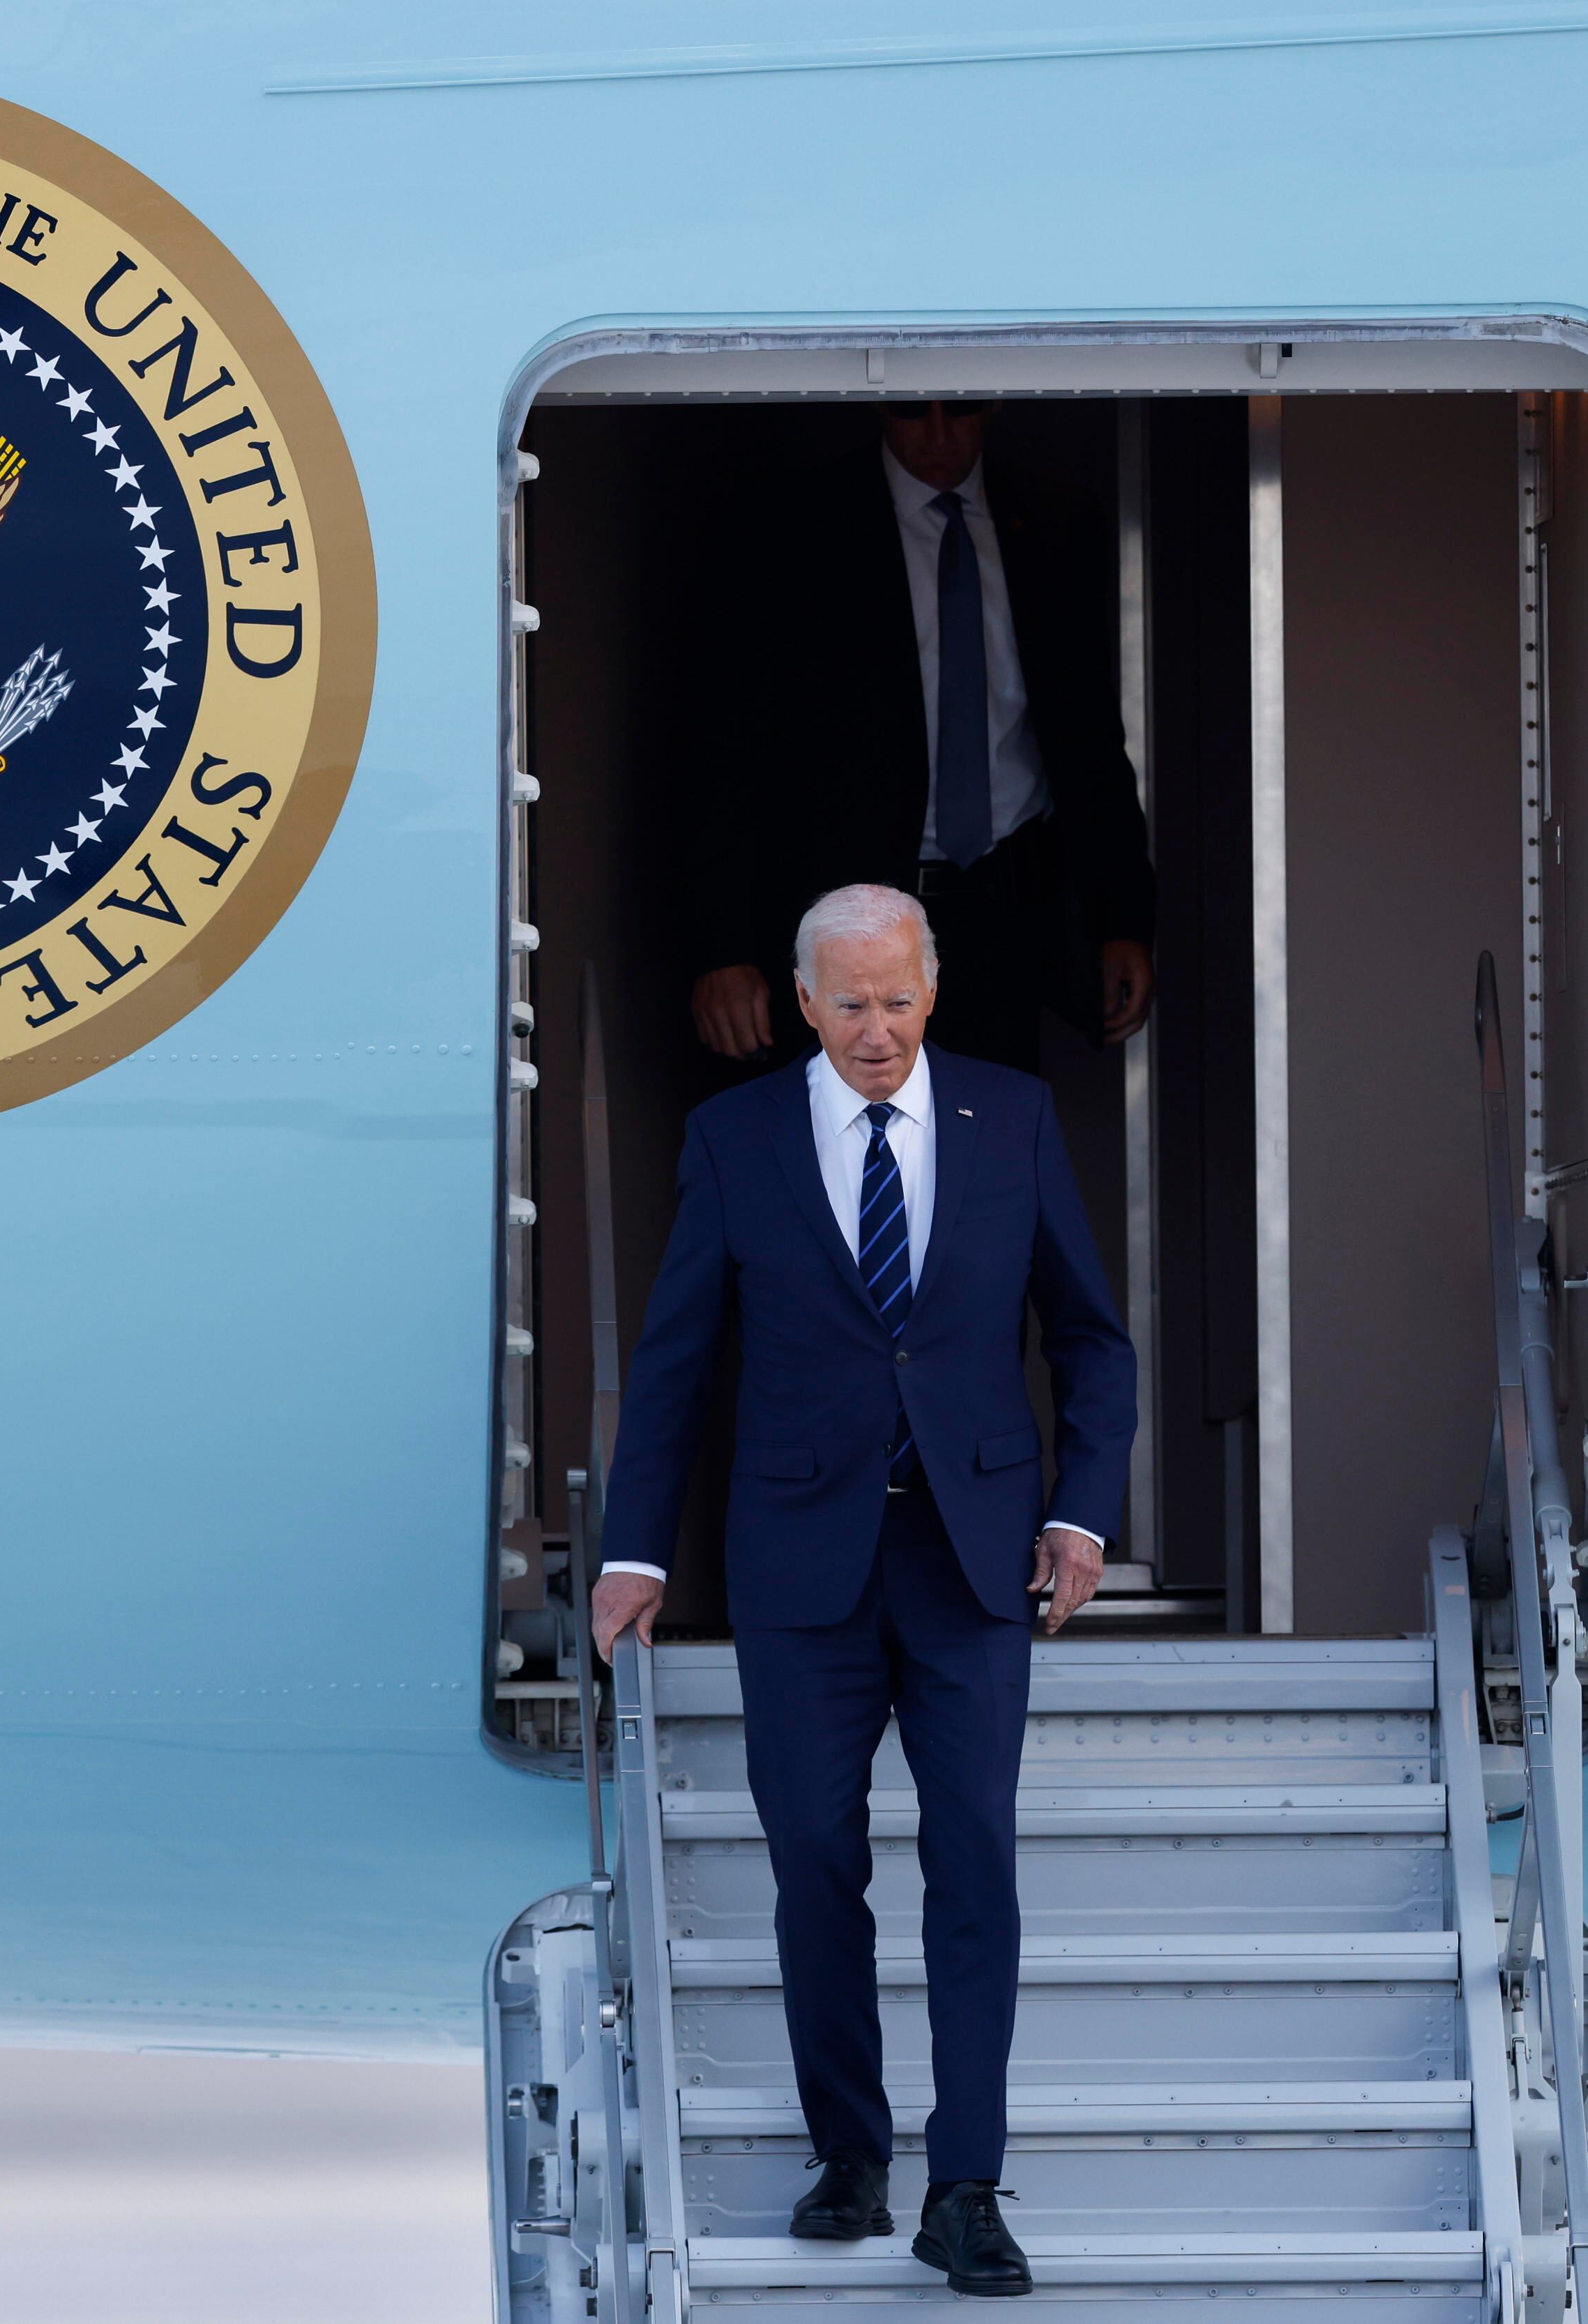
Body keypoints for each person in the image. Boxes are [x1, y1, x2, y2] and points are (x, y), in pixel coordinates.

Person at [593, 883, 1137, 2298]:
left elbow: (1089, 1335)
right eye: (849, 1006)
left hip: (971, 1558)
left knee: (973, 1865)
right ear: (803, 1002)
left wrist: (1082, 1511)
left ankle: (965, 2184)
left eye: (897, 1001)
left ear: (931, 992)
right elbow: (674, 1358)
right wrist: (630, 1551)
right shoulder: (736, 1136)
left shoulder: (1007, 1115)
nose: (877, 1031)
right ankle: (849, 2148)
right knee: (814, 1861)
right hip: (799, 1562)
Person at [688, 402, 1156, 1076]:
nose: (939, 435)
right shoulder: (796, 528)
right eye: (913, 412)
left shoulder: (1053, 521)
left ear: (992, 402)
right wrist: (721, 948)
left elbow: (1087, 741)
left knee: (987, 1153)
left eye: (959, 408)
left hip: (1007, 913)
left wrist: (1123, 920)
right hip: (850, 917)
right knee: (855, 1158)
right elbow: (728, 753)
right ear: (879, 405)